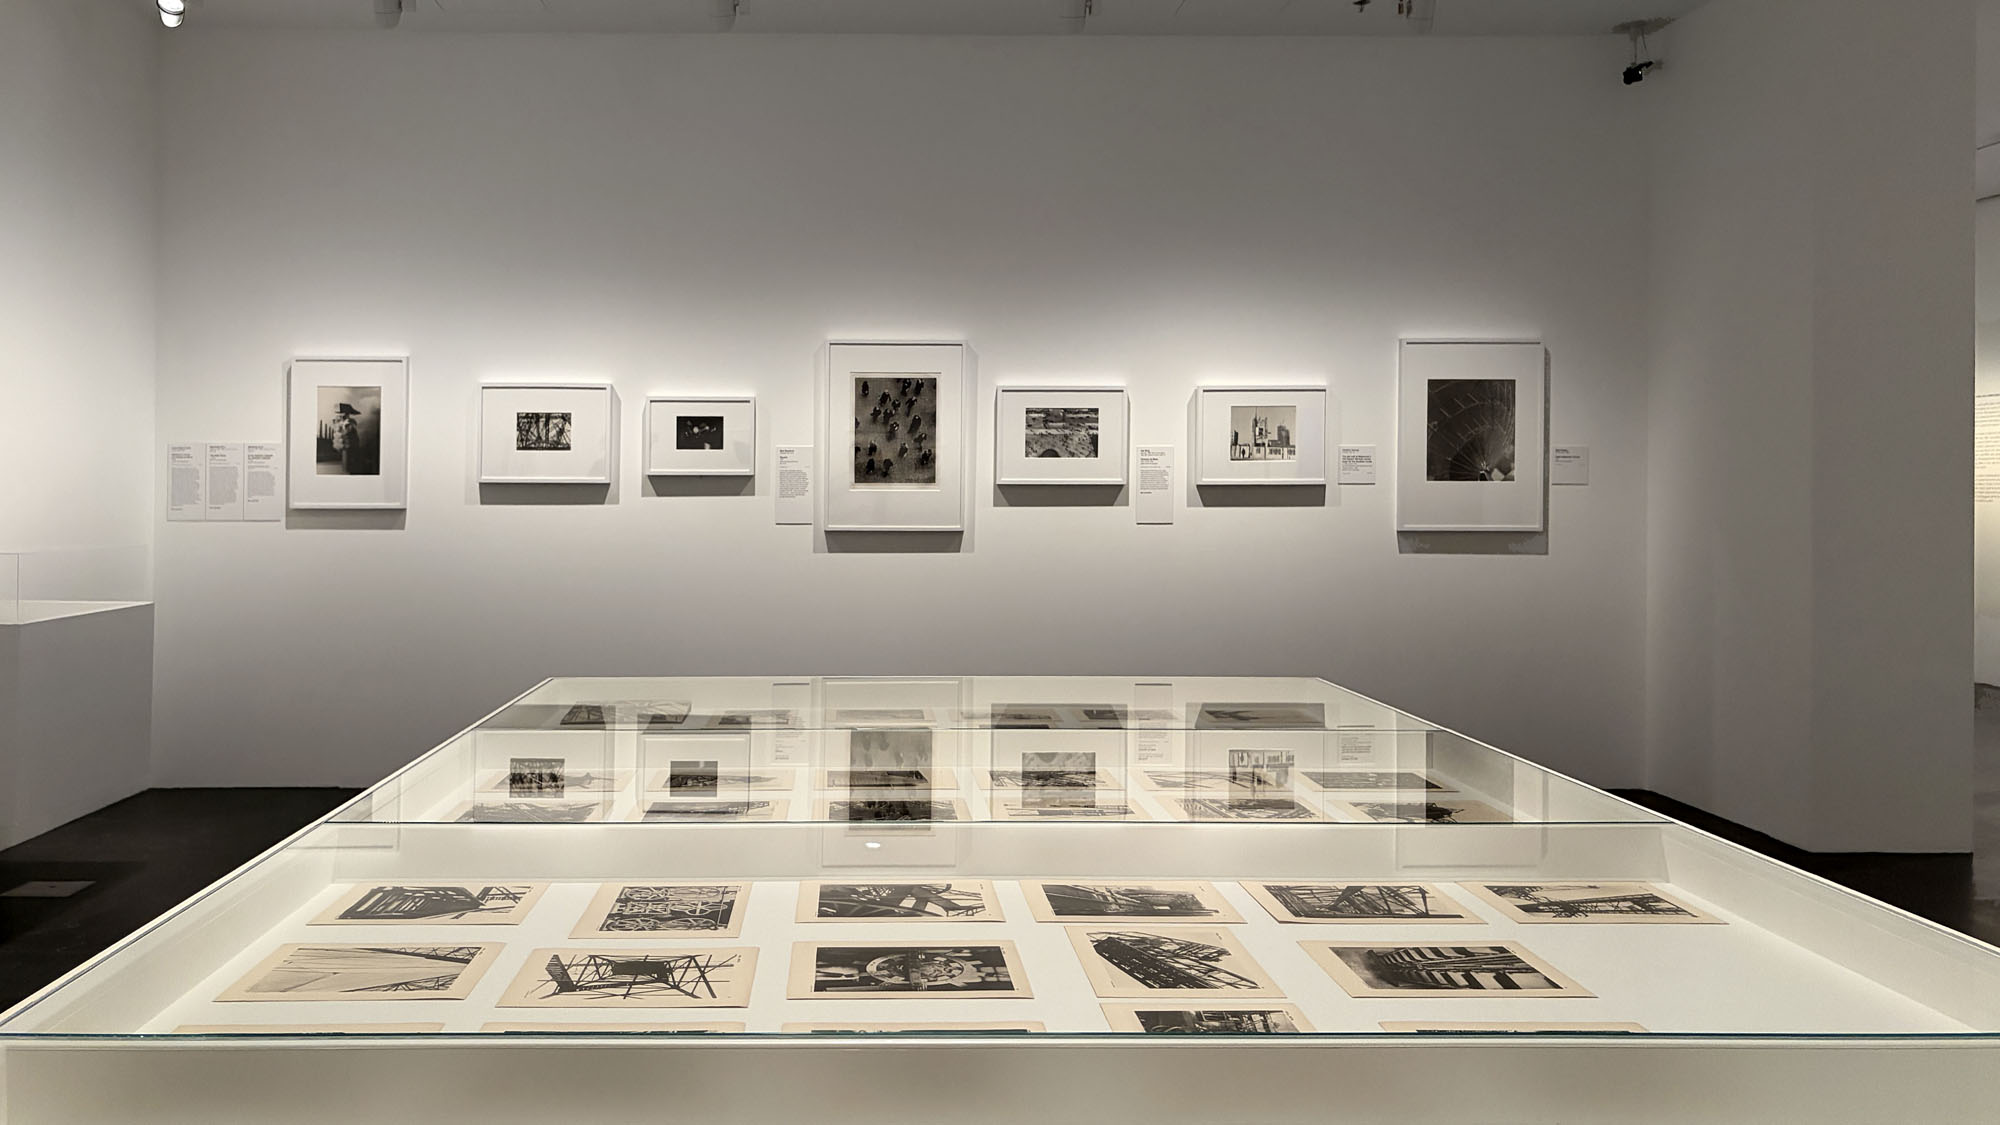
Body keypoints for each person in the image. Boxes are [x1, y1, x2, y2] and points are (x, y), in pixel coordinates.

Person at [331, 403, 364, 475]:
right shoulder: (348, 422)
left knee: (348, 465)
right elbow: (347, 432)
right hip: (349, 446)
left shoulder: (340, 422)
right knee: (349, 466)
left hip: (347, 446)